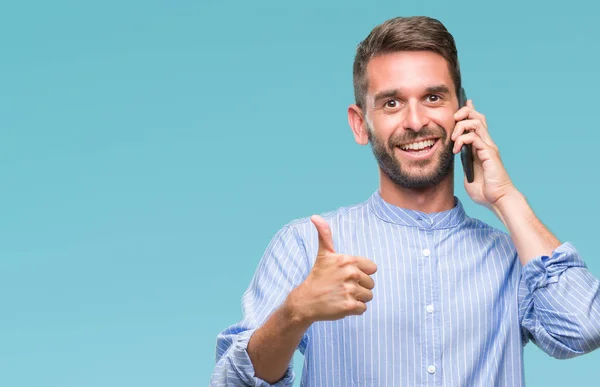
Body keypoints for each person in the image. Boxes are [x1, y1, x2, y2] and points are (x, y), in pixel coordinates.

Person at [209, 16, 600, 386]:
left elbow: (585, 328)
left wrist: (505, 198)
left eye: (432, 97)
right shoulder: (305, 246)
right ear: (361, 123)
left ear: (462, 112)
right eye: (391, 103)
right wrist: (295, 314)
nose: (415, 121)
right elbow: (232, 382)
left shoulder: (515, 257)